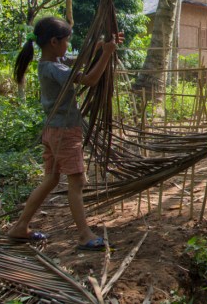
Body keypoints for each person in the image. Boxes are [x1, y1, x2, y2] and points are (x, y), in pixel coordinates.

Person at [9, 16, 123, 251]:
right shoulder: (54, 68)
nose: (67, 46)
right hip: (64, 132)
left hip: (52, 130)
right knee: (77, 182)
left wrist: (101, 47)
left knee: (51, 179)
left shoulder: (51, 63)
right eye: (66, 41)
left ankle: (21, 226)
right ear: (53, 41)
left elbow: (78, 60)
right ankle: (84, 235)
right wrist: (108, 54)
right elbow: (90, 80)